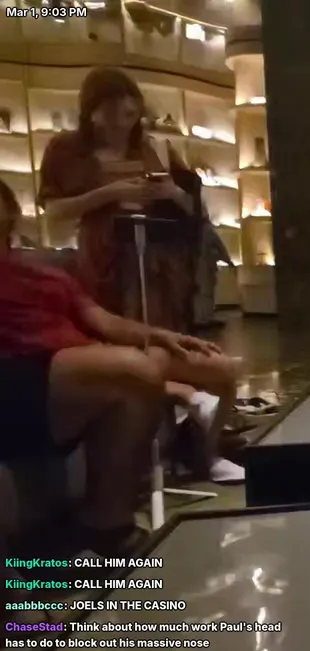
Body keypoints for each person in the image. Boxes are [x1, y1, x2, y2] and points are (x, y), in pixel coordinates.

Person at [0, 178, 240, 554]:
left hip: (71, 366)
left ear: (11, 213)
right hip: (19, 374)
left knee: (199, 366)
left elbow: (104, 320)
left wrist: (159, 335)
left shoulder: (45, 274)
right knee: (134, 371)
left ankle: (194, 462)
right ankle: (104, 525)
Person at [38, 66, 201, 333]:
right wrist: (111, 193)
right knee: (108, 329)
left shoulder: (155, 149)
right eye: (112, 108)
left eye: (129, 109)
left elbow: (195, 208)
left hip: (158, 262)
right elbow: (54, 212)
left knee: (160, 333)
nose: (123, 116)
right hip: (101, 259)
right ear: (92, 112)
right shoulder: (67, 150)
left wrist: (172, 192)